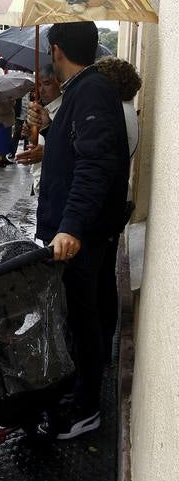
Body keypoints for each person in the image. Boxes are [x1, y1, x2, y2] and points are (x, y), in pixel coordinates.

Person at [27, 22, 129, 440]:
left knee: (84, 317)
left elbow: (94, 167)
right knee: (81, 315)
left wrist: (69, 228)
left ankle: (87, 407)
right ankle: (79, 390)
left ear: (55, 50)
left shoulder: (91, 91)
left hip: (78, 238)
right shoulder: (86, 90)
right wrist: (49, 126)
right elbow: (79, 148)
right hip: (77, 233)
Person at [93, 56, 142, 361]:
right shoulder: (125, 112)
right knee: (103, 279)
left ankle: (100, 344)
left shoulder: (115, 114)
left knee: (99, 283)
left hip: (104, 208)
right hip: (112, 204)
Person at [15, 64, 62, 194]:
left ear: (59, 83)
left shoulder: (65, 110)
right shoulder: (43, 109)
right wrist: (32, 134)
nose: (41, 90)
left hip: (56, 184)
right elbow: (40, 142)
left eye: (46, 84)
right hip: (41, 180)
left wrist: (45, 153)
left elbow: (65, 148)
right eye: (38, 85)